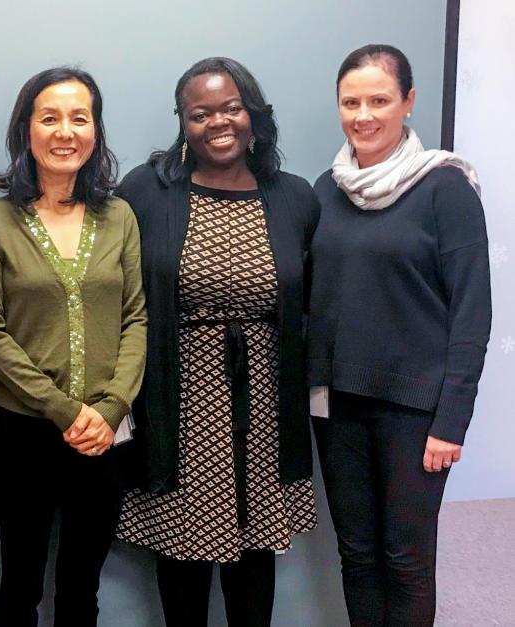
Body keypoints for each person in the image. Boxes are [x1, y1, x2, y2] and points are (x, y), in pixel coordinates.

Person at [114, 58, 319, 627]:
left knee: (255, 553)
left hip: (265, 402)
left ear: (253, 113)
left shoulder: (295, 197)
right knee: (183, 552)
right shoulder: (146, 191)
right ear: (183, 122)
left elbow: (312, 305)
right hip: (180, 398)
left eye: (231, 108)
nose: (218, 123)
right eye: (200, 113)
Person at [307, 44, 490, 627]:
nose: (364, 115)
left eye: (379, 100)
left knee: (406, 560)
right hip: (337, 407)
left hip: (416, 415)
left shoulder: (445, 189)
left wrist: (451, 422)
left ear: (408, 103)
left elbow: (471, 314)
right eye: (351, 102)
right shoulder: (325, 191)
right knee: (356, 556)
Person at [0, 67, 147, 627]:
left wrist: (111, 407)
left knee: (81, 587)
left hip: (105, 431)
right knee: (19, 584)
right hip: (24, 430)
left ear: (95, 132)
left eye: (79, 117)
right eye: (49, 118)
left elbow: (137, 318)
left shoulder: (118, 216)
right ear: (26, 131)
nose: (65, 131)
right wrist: (65, 410)